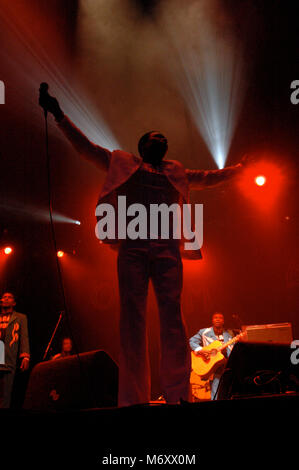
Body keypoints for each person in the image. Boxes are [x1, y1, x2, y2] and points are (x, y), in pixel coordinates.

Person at [39, 91, 246, 406]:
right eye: (154, 136)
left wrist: (236, 170)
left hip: (166, 250)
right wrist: (59, 116)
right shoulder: (122, 163)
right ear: (142, 146)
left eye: (163, 137)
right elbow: (86, 148)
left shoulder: (175, 171)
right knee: (132, 320)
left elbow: (207, 177)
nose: (161, 138)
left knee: (173, 320)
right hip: (133, 247)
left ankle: (178, 394)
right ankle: (134, 398)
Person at [189, 312, 233, 400]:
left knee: (228, 392)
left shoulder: (229, 333)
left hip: (226, 365)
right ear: (212, 320)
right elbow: (191, 341)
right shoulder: (204, 332)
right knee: (215, 392)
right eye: (215, 318)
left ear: (223, 321)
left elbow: (232, 347)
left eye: (220, 318)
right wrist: (202, 350)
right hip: (212, 365)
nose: (218, 319)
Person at [0, 292, 30, 408]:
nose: (6, 299)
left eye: (9, 297)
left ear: (14, 303)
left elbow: (24, 336)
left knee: (5, 395)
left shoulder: (20, 318)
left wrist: (25, 356)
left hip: (8, 358)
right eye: (4, 297)